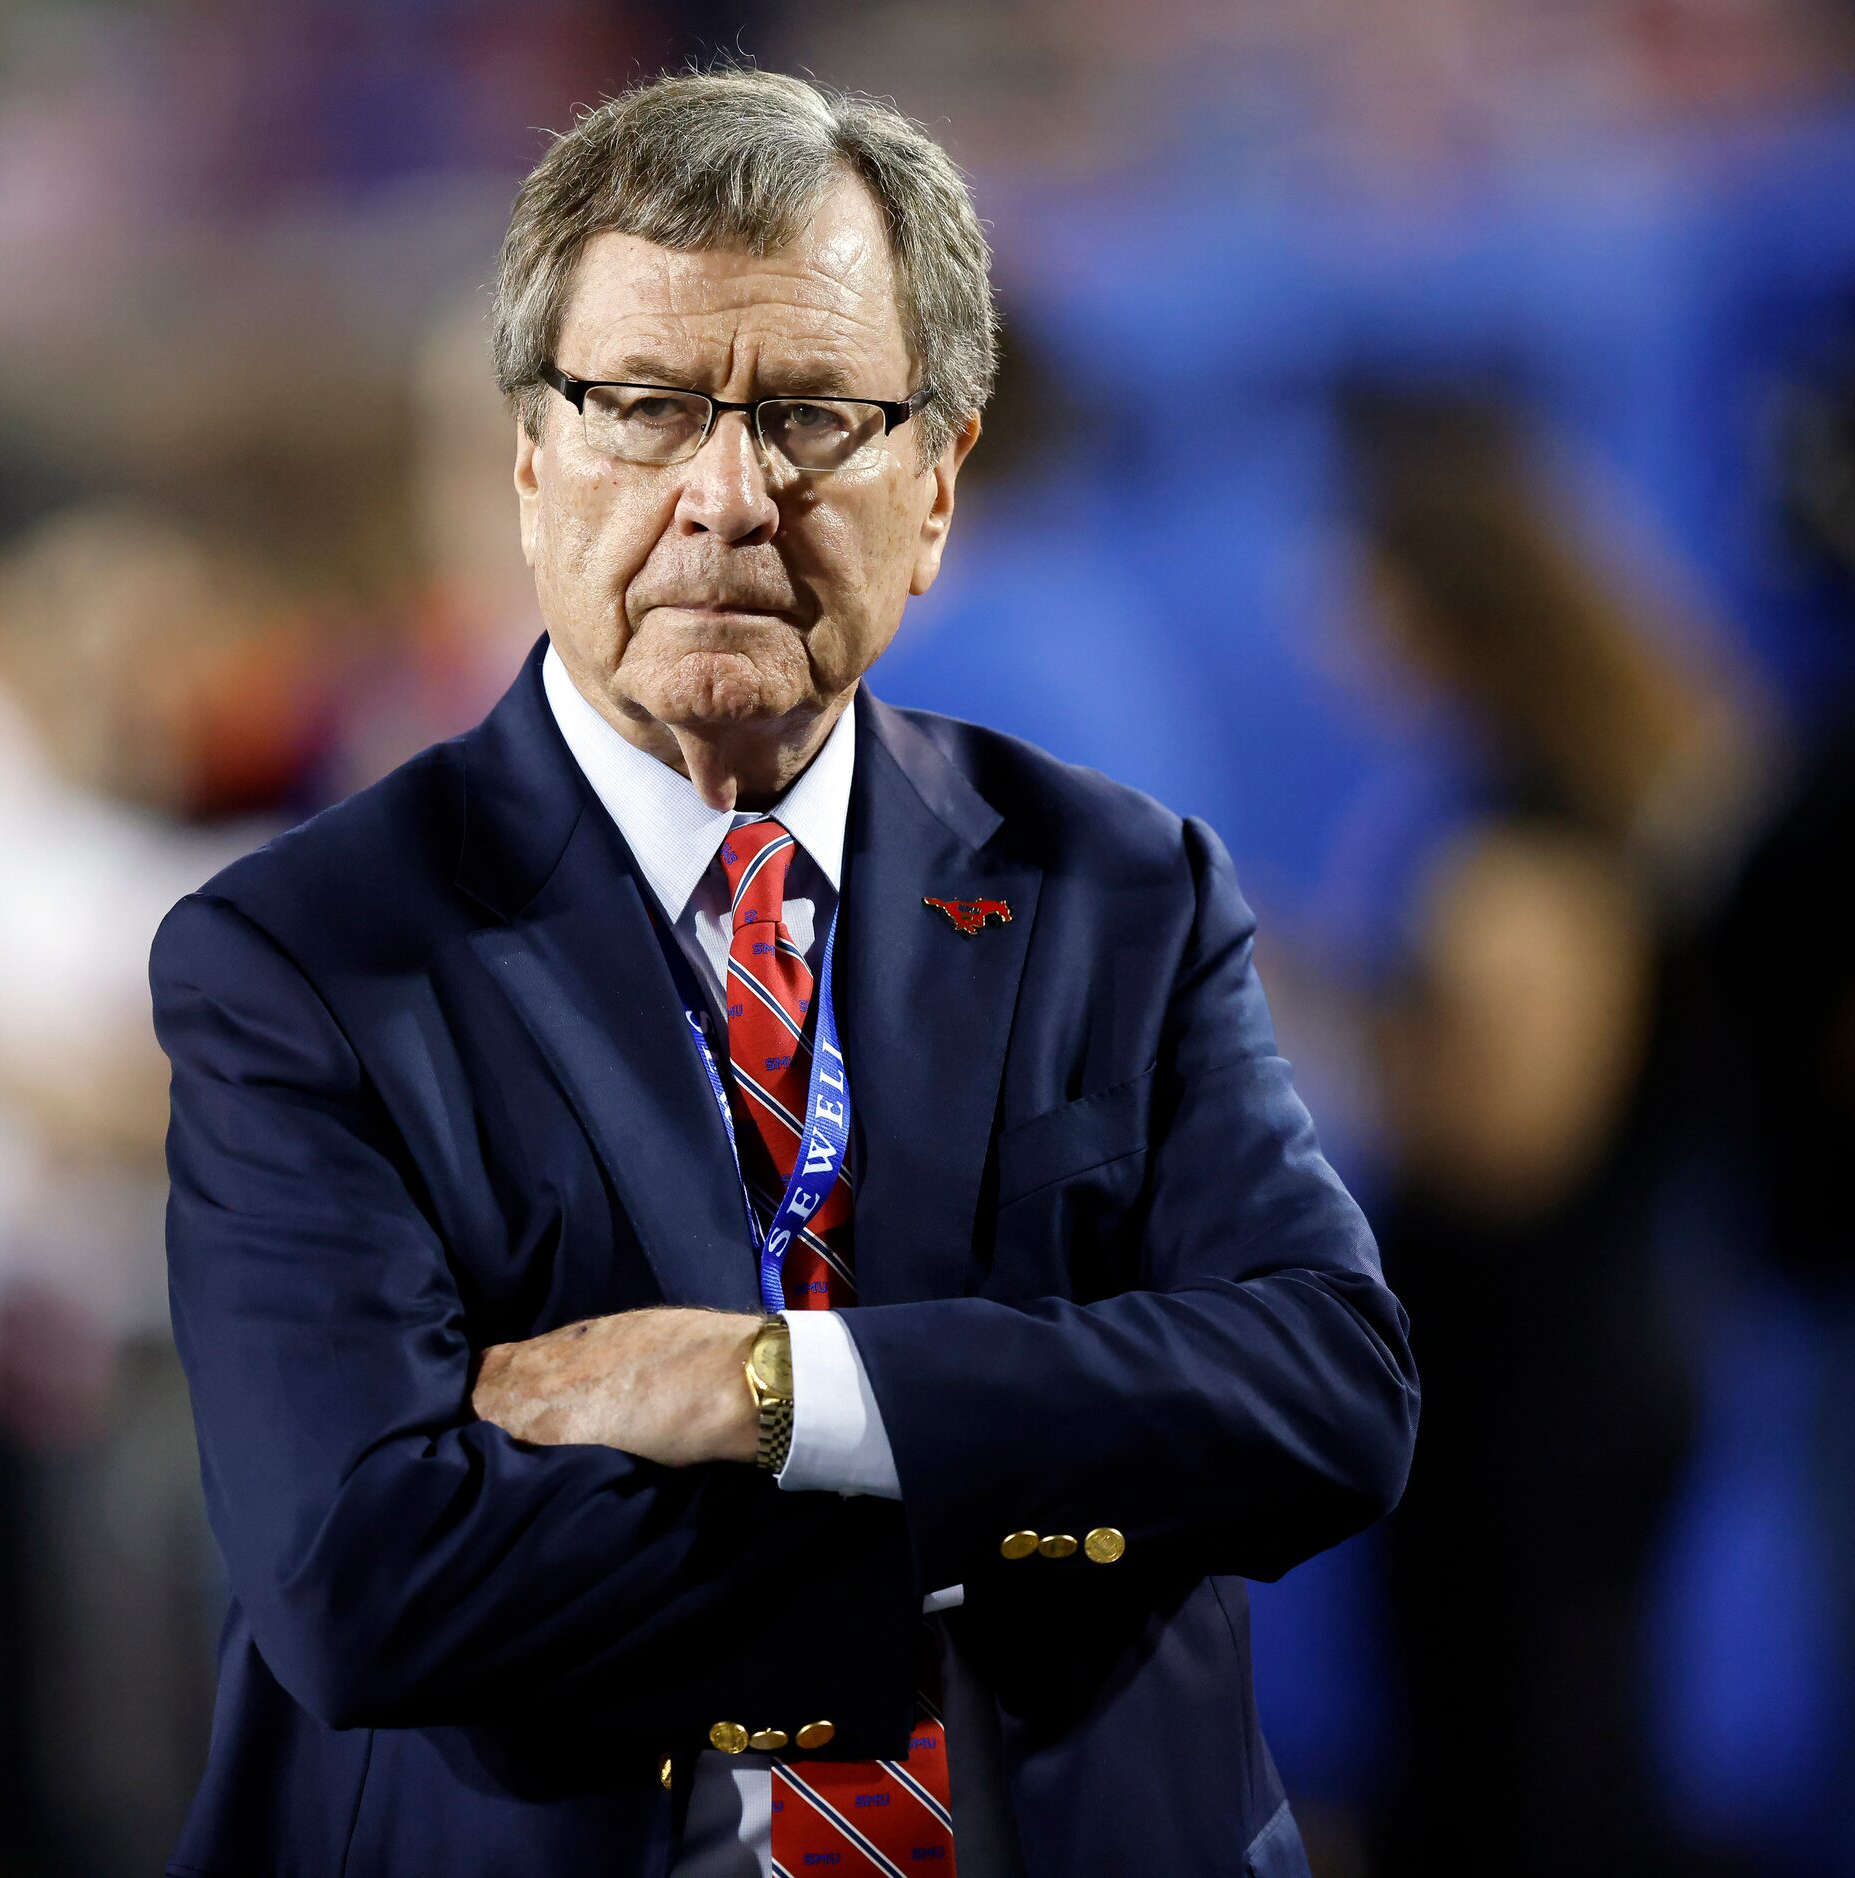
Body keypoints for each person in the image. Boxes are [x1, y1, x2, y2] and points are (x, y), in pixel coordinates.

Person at [150, 70, 1418, 1878]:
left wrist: (778, 1393)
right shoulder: (305, 958)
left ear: (938, 485)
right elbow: (367, 1582)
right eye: (648, 408)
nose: (727, 498)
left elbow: (1328, 1396)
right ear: (529, 461)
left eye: (814, 415)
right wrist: (1019, 1475)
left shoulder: (1120, 886)